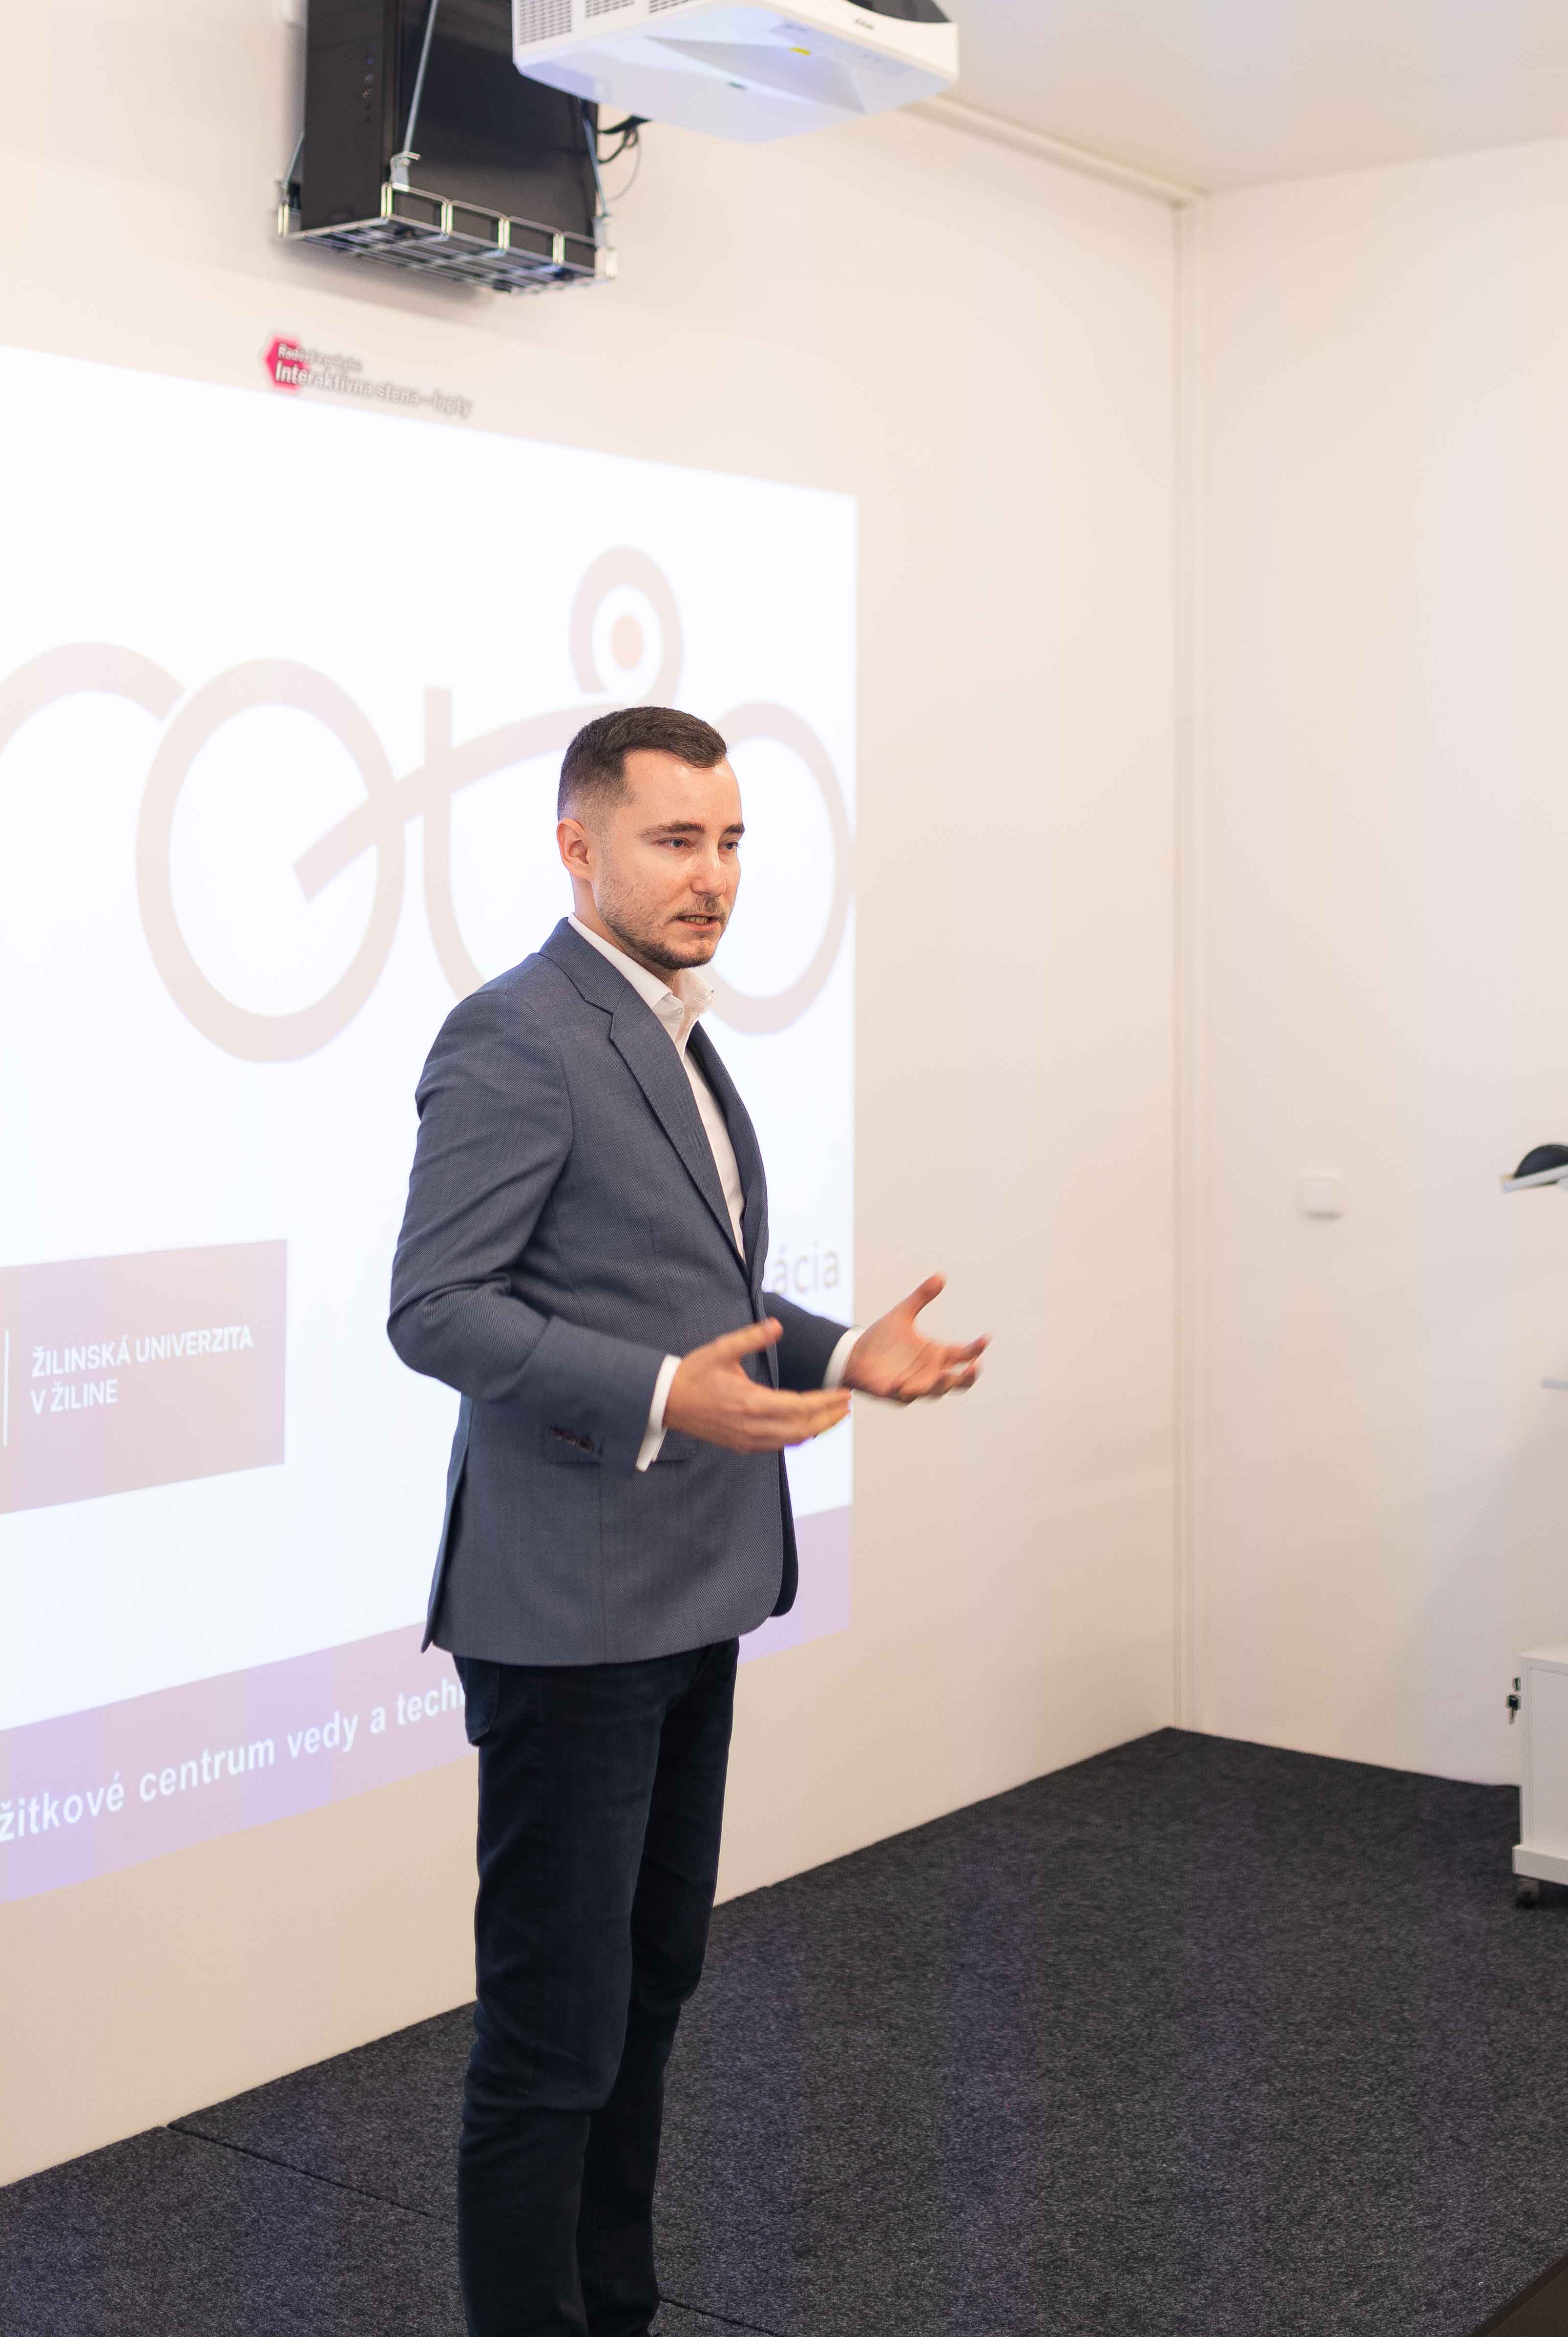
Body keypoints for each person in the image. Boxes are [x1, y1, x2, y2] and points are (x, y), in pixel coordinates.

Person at [389, 703, 986, 2337]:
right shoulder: (515, 1034)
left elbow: (688, 1292)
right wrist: (661, 1392)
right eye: (674, 839)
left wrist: (845, 1354)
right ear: (576, 847)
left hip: (689, 1593)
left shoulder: (673, 1032)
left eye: (728, 841)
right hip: (567, 1615)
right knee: (554, 2035)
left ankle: (613, 2308)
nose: (711, 874)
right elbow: (436, 1307)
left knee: (649, 1990)